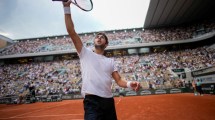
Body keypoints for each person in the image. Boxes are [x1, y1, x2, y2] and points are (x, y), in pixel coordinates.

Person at [62, 1, 140, 120]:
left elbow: (119, 81)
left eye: (102, 37)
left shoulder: (110, 61)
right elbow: (71, 31)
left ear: (106, 44)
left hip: (108, 101)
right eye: (97, 36)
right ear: (94, 41)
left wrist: (130, 84)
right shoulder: (85, 53)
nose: (99, 38)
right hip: (92, 102)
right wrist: (66, 7)